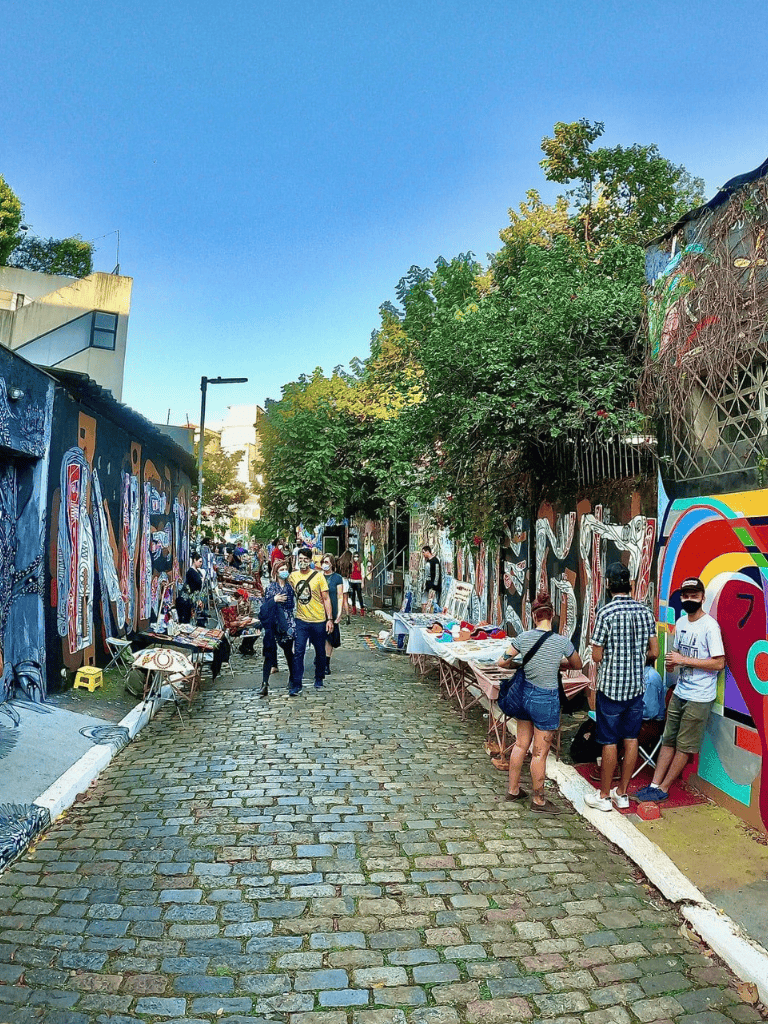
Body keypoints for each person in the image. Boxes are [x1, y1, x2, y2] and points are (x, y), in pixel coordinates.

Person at [637, 576, 725, 802]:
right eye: (685, 596)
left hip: (699, 696)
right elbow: (677, 656)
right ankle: (654, 784)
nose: (689, 600)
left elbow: (719, 663)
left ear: (703, 598)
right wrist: (672, 663)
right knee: (668, 739)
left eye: (694, 596)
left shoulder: (710, 626)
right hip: (680, 691)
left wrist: (683, 660)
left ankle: (664, 789)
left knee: (684, 746)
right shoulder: (682, 622)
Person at [497, 591, 583, 813]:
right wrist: (556, 662)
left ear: (533, 616)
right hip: (546, 699)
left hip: (524, 695)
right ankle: (539, 800)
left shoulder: (523, 638)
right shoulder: (561, 642)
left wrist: (520, 665)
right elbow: (577, 664)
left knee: (520, 744)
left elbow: (502, 662)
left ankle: (513, 790)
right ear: (552, 615)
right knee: (539, 753)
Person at [585, 562, 658, 812]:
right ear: (630, 584)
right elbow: (655, 651)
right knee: (631, 739)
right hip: (637, 688)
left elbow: (596, 655)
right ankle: (623, 793)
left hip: (611, 689)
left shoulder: (606, 613)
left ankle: (604, 796)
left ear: (608, 584)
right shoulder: (645, 612)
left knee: (608, 741)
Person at [288, 546, 333, 694]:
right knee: (299, 652)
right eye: (300, 559)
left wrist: (330, 619)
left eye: (305, 560)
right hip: (301, 620)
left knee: (320, 651)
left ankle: (319, 677)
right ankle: (296, 684)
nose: (302, 562)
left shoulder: (319, 576)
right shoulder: (293, 577)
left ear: (310, 561)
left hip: (318, 620)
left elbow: (326, 598)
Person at [258, 559, 296, 698]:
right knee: (269, 653)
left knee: (288, 651)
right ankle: (264, 683)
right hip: (272, 623)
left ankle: (292, 678)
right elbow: (266, 605)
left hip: (286, 623)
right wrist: (274, 600)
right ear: (275, 572)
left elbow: (291, 604)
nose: (284, 572)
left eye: (286, 569)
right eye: (281, 570)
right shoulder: (271, 587)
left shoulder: (289, 587)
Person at [322, 553, 344, 677]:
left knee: (330, 638)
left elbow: (340, 596)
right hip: (320, 611)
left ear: (332, 564)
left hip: (333, 609)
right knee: (320, 637)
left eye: (327, 562)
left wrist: (339, 612)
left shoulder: (337, 578)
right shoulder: (319, 577)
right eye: (323, 562)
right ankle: (320, 657)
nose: (325, 564)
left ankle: (326, 662)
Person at [176, 552, 204, 625]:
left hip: (191, 598)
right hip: (187, 599)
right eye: (199, 561)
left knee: (189, 619)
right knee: (186, 620)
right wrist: (197, 599)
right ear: (195, 560)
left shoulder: (196, 571)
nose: (201, 563)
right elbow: (193, 587)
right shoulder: (191, 572)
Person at [421, 545, 442, 613]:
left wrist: (434, 586)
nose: (423, 554)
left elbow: (437, 574)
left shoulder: (435, 561)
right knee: (424, 601)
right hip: (427, 584)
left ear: (428, 551)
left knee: (432, 603)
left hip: (432, 586)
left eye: (424, 552)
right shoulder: (428, 561)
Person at [338, 549, 353, 624]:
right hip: (346, 582)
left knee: (339, 600)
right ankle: (347, 616)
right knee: (345, 601)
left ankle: (339, 616)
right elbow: (349, 575)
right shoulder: (349, 564)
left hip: (339, 581)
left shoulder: (339, 562)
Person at [349, 551, 365, 616]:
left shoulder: (361, 564)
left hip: (358, 581)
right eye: (355, 557)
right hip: (352, 581)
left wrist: (362, 582)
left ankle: (362, 609)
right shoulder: (351, 564)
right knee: (352, 596)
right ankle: (354, 609)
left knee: (359, 595)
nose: (356, 558)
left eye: (357, 557)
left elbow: (363, 574)